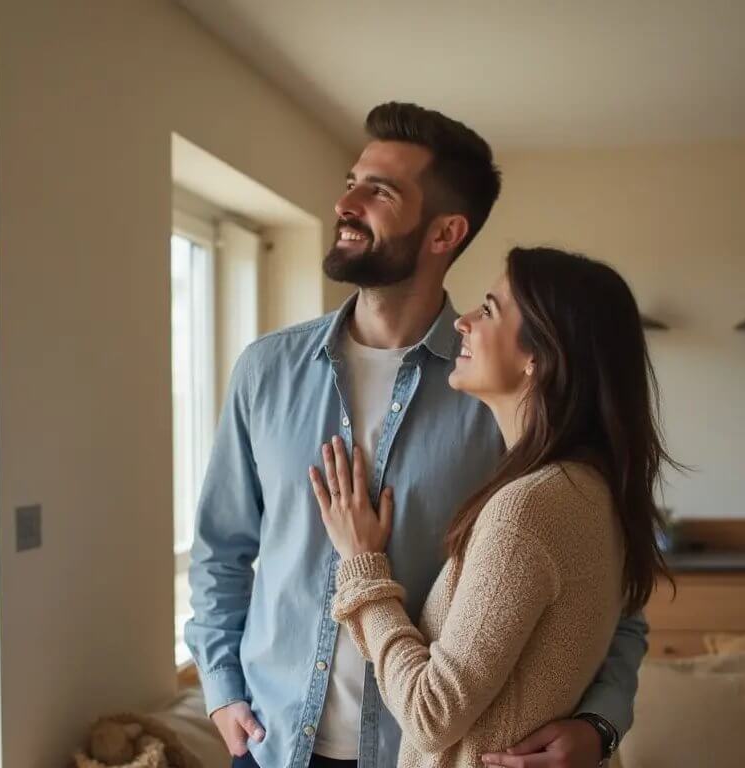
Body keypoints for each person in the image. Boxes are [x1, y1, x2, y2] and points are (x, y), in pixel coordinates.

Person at [185, 103, 650, 768]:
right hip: (272, 745)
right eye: (351, 182)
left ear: (445, 232)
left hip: (418, 750)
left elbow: (611, 594)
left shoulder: (501, 401)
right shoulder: (266, 371)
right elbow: (221, 551)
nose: (345, 204)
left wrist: (601, 722)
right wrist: (222, 690)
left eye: (379, 192)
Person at [310, 247, 673, 768]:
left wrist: (362, 566)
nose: (463, 321)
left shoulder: (529, 510)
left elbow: (431, 713)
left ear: (538, 357)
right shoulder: (590, 488)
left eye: (488, 309)